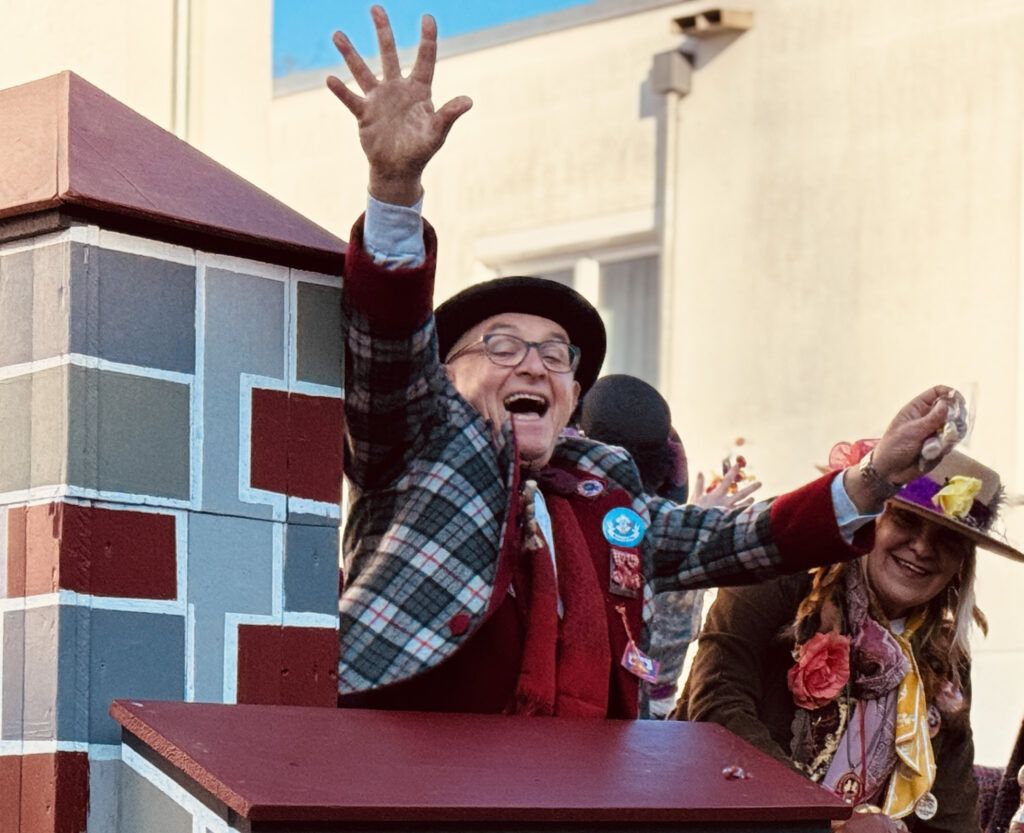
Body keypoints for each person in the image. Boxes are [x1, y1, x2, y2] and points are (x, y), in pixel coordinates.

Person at [327, 5, 966, 717]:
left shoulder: (609, 491)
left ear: (574, 397)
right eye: (502, 346)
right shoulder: (419, 440)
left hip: (574, 777)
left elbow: (741, 538)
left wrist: (876, 475)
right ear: (444, 376)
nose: (534, 366)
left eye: (556, 355)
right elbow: (387, 348)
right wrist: (394, 189)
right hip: (404, 765)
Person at [675, 448, 1023, 833]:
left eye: (949, 538)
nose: (923, 548)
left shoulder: (944, 658)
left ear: (962, 562)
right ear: (869, 519)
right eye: (906, 519)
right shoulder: (776, 578)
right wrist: (831, 820)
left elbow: (951, 806)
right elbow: (717, 709)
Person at [577, 373, 760, 717]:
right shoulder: (671, 543)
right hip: (648, 716)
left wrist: (692, 524)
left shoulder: (575, 520)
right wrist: (695, 525)